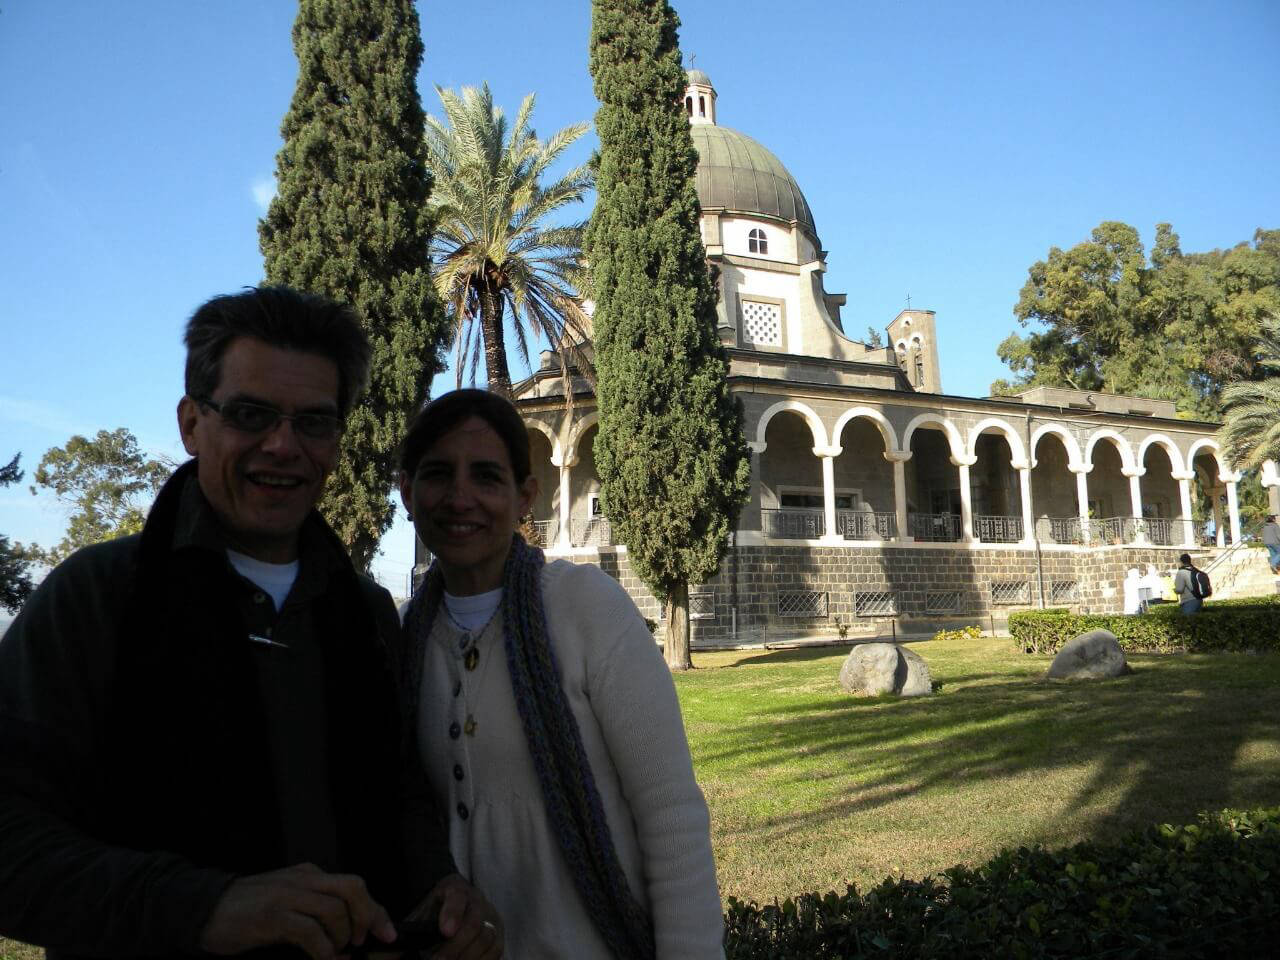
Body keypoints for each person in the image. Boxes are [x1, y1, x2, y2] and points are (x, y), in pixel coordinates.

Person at [0, 288, 501, 960]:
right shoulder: (97, 598)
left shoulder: (365, 615)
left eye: (313, 422)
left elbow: (401, 792)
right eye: (250, 414)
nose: (283, 445)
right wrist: (205, 907)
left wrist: (440, 886)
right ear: (191, 423)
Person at [398, 389, 724, 958]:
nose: (460, 497)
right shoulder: (403, 639)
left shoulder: (586, 609)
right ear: (407, 492)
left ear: (524, 496)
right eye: (438, 474)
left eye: (486, 477)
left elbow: (671, 815)